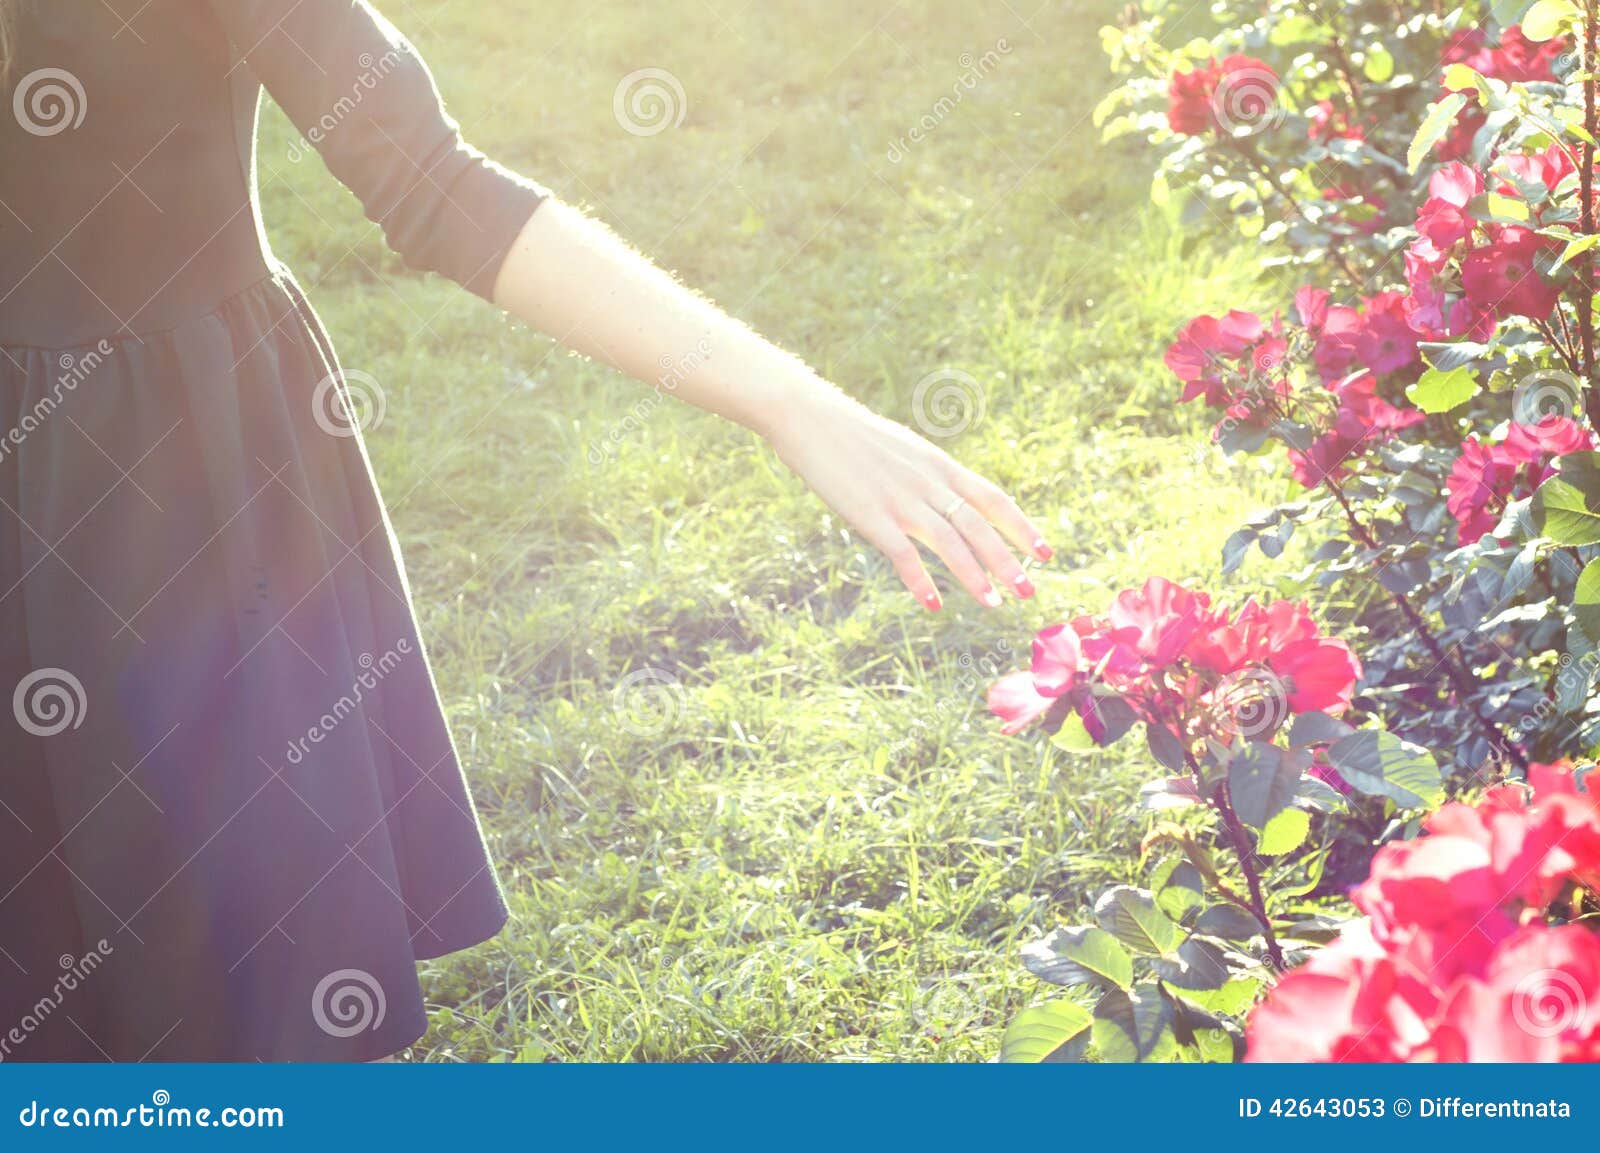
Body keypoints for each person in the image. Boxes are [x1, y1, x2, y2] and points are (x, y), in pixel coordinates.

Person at [0, 0, 1048, 1061]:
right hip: (154, 461)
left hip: (185, 504)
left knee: (211, 981)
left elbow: (434, 184)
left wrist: (791, 401)